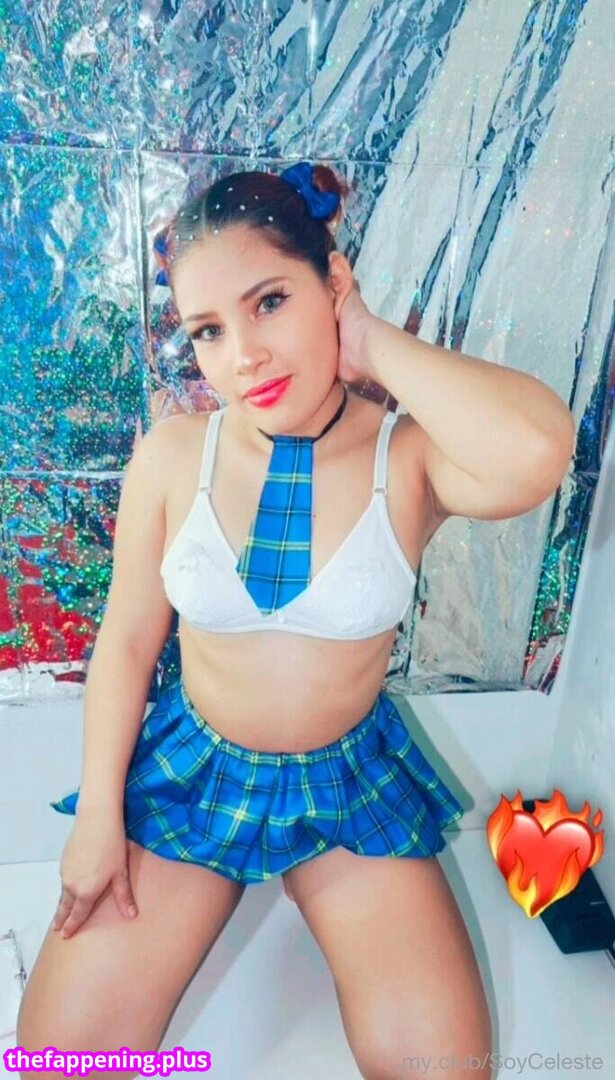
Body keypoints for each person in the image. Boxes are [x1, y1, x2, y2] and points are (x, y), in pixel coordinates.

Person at [17, 162, 574, 1079]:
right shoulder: (174, 454)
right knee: (59, 1061)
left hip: (345, 781)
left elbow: (538, 450)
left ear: (333, 282)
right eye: (208, 329)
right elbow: (126, 641)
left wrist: (370, 342)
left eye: (270, 302)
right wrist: (98, 816)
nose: (243, 356)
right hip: (196, 776)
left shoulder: (409, 458)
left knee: (448, 1070)